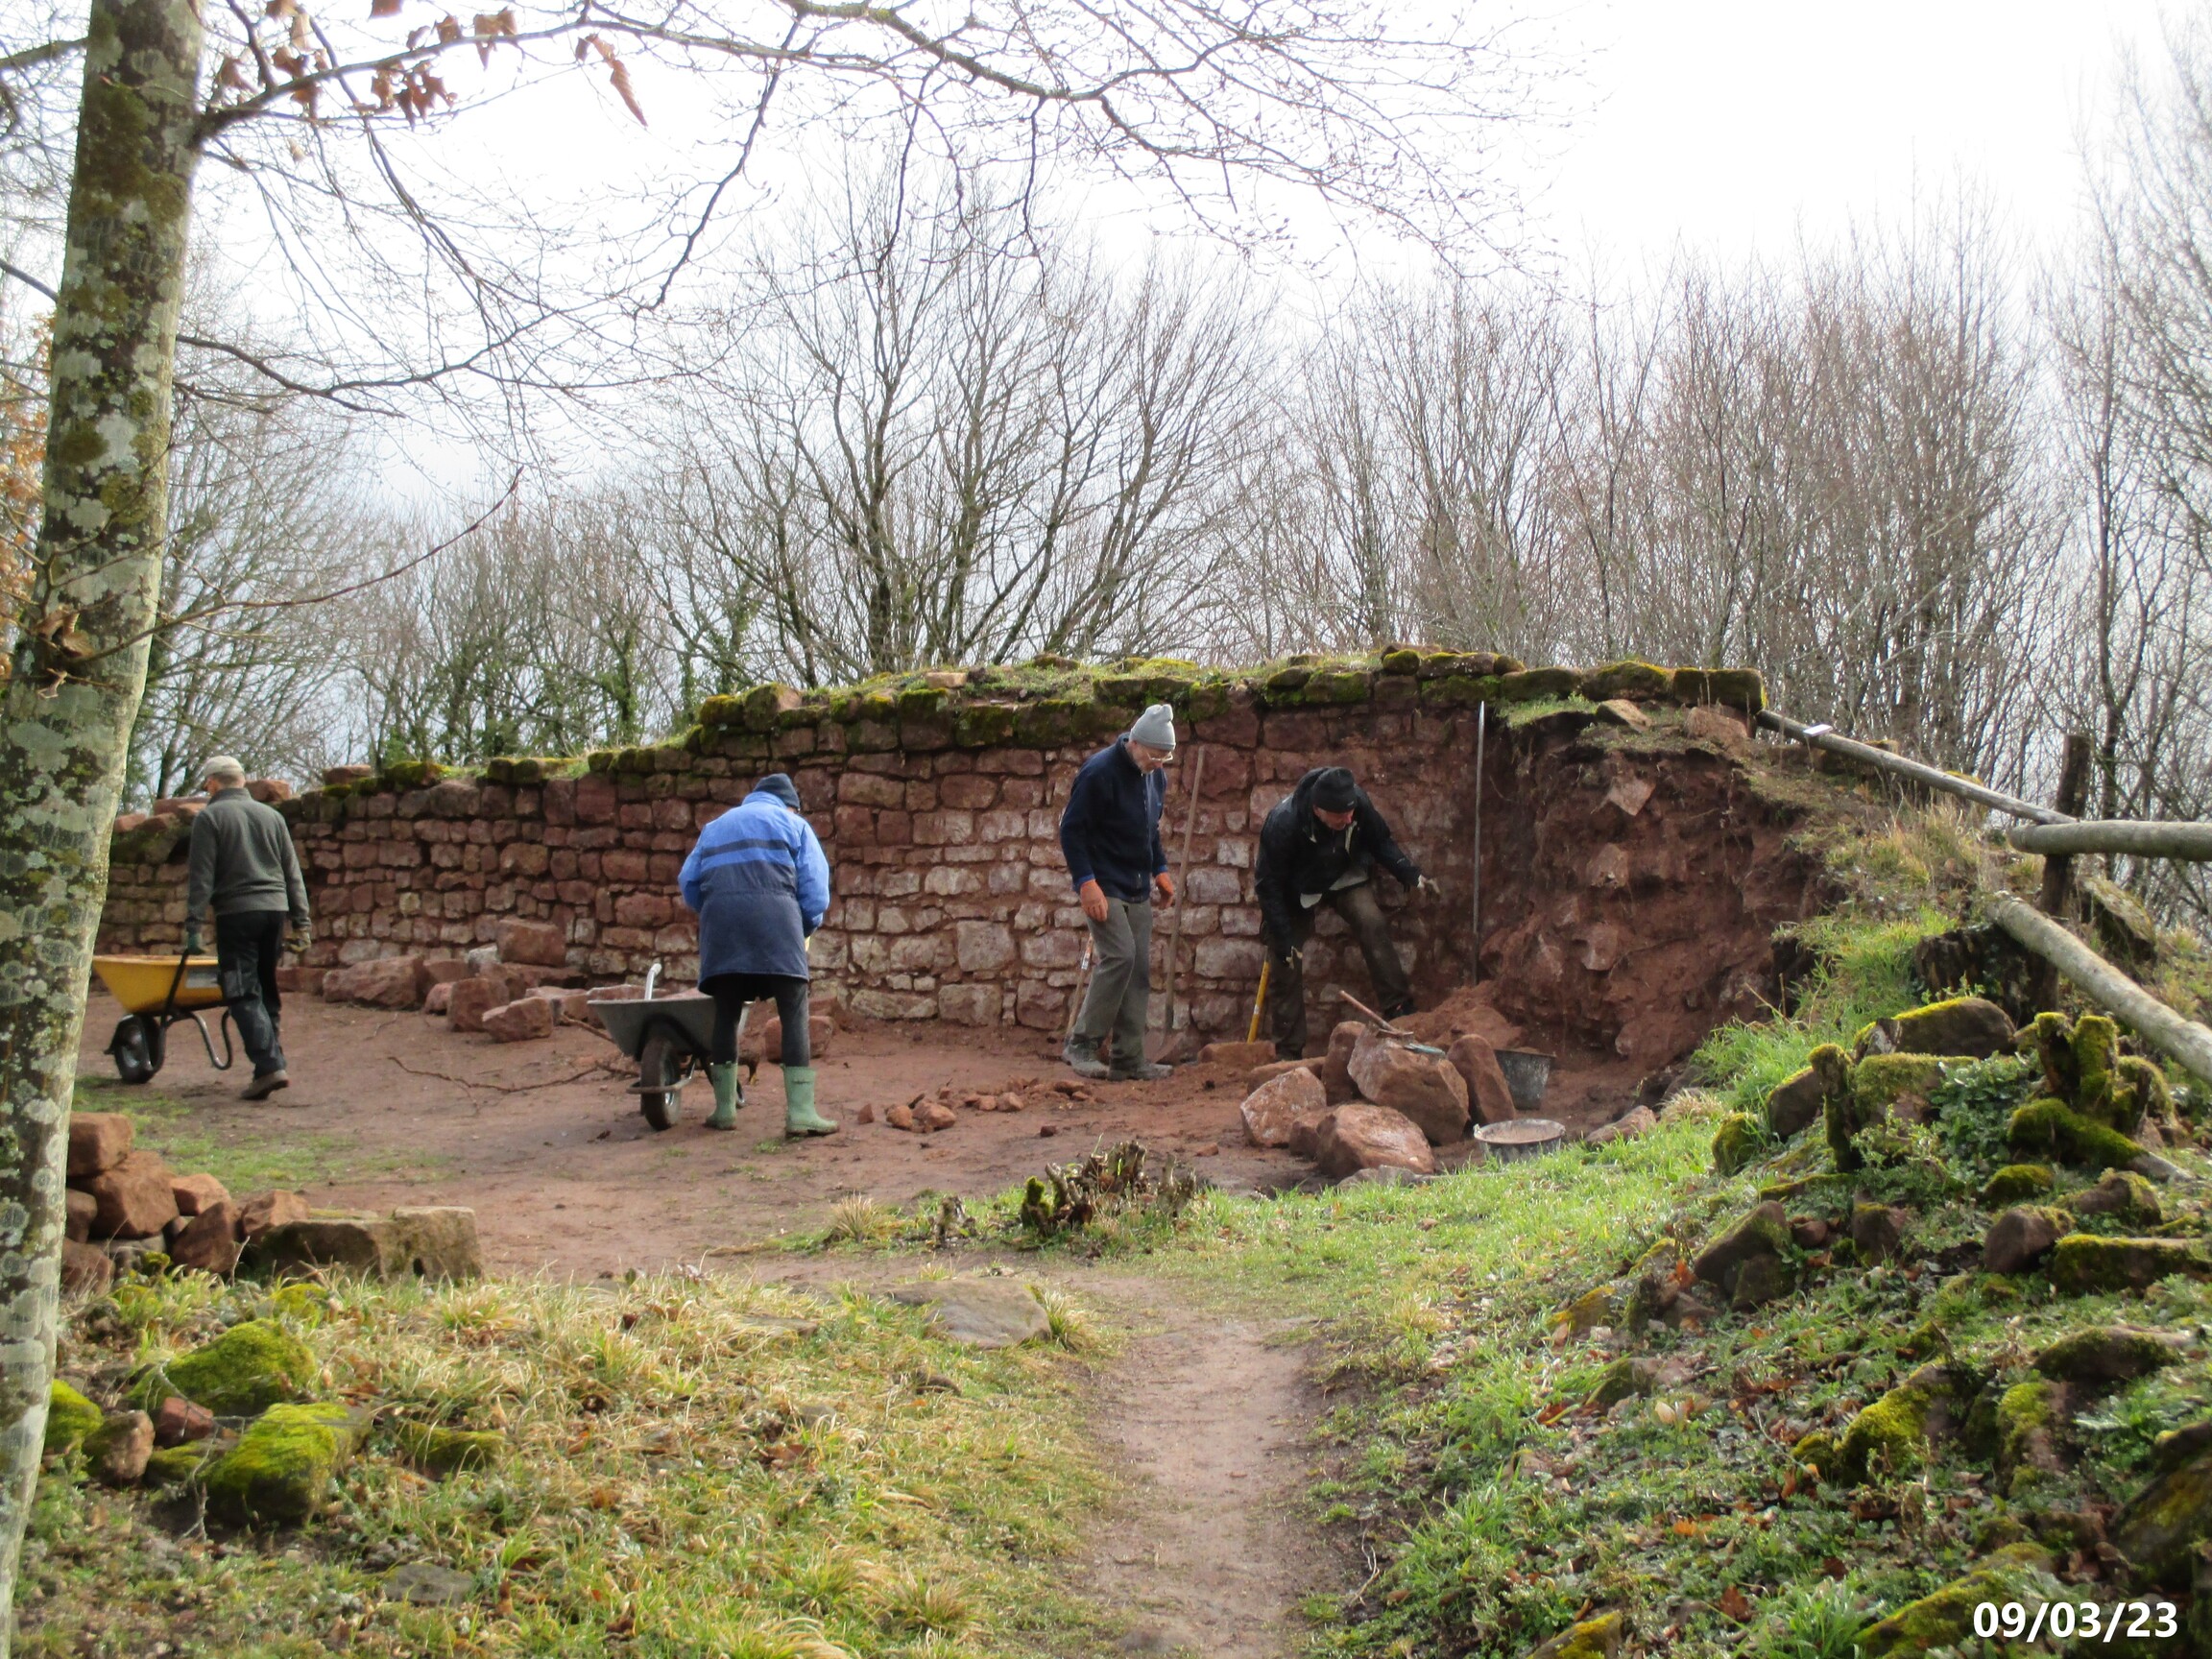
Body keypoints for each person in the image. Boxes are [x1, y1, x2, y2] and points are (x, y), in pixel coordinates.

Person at [679, 772, 836, 1137]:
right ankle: (801, 1114)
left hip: (723, 931)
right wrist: (803, 927)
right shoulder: (794, 825)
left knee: (726, 1013)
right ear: (790, 805)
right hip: (778, 925)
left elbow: (688, 882)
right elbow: (815, 891)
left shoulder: (714, 828)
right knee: (793, 1009)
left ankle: (723, 1110)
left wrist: (717, 908)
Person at [1255, 765, 1437, 1059]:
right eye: (1341, 815)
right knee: (1285, 958)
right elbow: (1268, 885)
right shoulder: (1283, 823)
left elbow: (1380, 842)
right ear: (1318, 810)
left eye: (1351, 812)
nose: (1349, 818)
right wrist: (1282, 936)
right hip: (1297, 889)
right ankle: (1289, 1050)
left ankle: (1399, 1009)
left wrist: (1412, 875)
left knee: (1372, 922)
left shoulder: (1356, 803)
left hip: (1342, 873)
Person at [1057, 703, 1179, 1081]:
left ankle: (1129, 1057)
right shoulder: (1099, 773)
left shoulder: (1154, 777)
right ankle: (1081, 1044)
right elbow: (1071, 830)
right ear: (1136, 743)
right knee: (1120, 955)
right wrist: (1085, 882)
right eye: (1155, 755)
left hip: (1137, 883)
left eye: (1165, 757)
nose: (1159, 764)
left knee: (1139, 967)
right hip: (1103, 882)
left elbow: (1150, 831)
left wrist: (1160, 870)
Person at [182, 757, 312, 1100]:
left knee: (240, 990)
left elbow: (201, 878)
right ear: (241, 780)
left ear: (212, 783)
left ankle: (269, 1066)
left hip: (237, 913)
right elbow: (292, 872)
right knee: (266, 988)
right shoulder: (272, 817)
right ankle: (268, 1066)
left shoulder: (210, 818)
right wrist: (302, 922)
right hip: (274, 912)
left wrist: (193, 926)